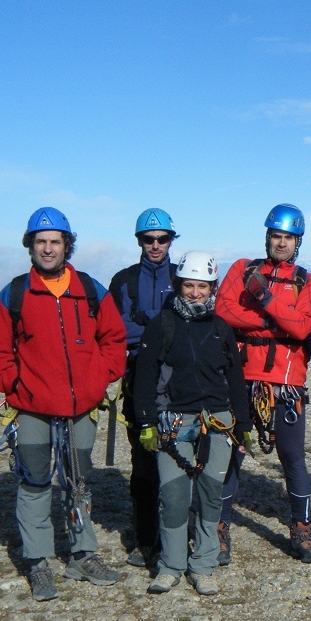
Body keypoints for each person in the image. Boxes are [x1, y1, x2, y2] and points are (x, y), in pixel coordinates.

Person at [0, 207, 127, 601]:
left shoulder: (91, 290)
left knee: (79, 481)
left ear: (67, 245)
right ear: (31, 245)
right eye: (40, 242)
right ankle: (38, 562)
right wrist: (15, 386)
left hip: (81, 407)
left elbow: (113, 339)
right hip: (31, 408)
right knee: (34, 482)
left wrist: (101, 377)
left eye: (55, 241)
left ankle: (82, 554)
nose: (48, 249)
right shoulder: (14, 293)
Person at [132, 251, 251, 596]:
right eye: (189, 285)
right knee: (173, 496)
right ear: (178, 285)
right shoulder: (162, 326)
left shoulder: (219, 328)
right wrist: (146, 423)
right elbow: (145, 376)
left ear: (212, 288)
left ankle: (203, 564)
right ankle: (170, 565)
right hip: (173, 421)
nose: (195, 292)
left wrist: (242, 423)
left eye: (202, 286)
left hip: (217, 421)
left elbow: (234, 377)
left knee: (211, 495)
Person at [214, 204, 311, 564]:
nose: (280, 243)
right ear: (268, 237)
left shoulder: (308, 281)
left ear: (297, 242)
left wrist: (264, 299)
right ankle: (220, 525)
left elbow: (303, 327)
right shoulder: (242, 269)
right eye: (276, 236)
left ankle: (302, 527)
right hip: (242, 378)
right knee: (232, 454)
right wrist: (274, 320)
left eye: (288, 238)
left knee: (293, 458)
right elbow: (223, 311)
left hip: (286, 383)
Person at [107, 208, 178, 570]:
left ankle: (177, 536)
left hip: (178, 379)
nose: (155, 245)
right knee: (144, 462)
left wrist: (142, 330)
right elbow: (111, 329)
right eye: (149, 239)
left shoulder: (184, 278)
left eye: (162, 239)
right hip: (139, 379)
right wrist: (162, 331)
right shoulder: (123, 281)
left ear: (170, 240)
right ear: (139, 241)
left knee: (181, 458)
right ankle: (147, 540)